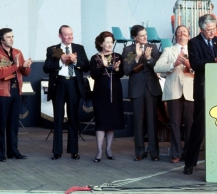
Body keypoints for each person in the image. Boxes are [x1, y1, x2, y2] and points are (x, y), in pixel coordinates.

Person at [183, 14, 217, 175]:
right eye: (209, 30)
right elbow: (195, 64)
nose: (213, 32)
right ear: (202, 29)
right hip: (203, 88)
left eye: (214, 29)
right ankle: (189, 162)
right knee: (199, 126)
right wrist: (214, 61)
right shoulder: (193, 42)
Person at [43, 25, 90, 160]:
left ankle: (74, 150)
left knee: (73, 118)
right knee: (58, 118)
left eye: (71, 34)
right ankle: (57, 151)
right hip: (59, 84)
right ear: (60, 36)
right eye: (67, 34)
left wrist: (76, 62)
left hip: (74, 84)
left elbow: (86, 66)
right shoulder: (54, 50)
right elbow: (46, 68)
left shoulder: (79, 48)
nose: (70, 37)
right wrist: (59, 61)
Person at [0, 28, 32, 162]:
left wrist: (25, 66)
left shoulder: (18, 52)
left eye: (12, 36)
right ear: (1, 40)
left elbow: (25, 73)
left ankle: (13, 151)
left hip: (16, 91)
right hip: (2, 93)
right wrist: (16, 65)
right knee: (1, 123)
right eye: (8, 37)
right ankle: (0, 154)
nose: (12, 39)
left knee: (13, 124)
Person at [154, 25, 194, 163]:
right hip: (173, 92)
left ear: (189, 35)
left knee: (190, 124)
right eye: (179, 32)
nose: (182, 33)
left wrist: (190, 66)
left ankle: (189, 153)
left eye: (184, 31)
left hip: (190, 92)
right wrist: (173, 64)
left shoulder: (194, 49)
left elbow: (200, 68)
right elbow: (157, 67)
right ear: (175, 36)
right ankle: (176, 154)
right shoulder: (168, 50)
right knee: (175, 124)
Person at [122, 25, 162, 161]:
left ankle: (154, 152)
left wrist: (149, 58)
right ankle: (139, 151)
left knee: (152, 121)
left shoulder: (153, 47)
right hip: (137, 89)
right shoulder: (128, 50)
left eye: (146, 35)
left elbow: (157, 66)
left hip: (151, 87)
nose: (145, 37)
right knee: (138, 122)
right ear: (134, 37)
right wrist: (137, 58)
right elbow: (127, 70)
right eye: (141, 35)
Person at [90, 31, 125, 163]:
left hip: (115, 91)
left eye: (111, 42)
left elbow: (121, 74)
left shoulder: (118, 56)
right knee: (101, 122)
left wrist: (116, 70)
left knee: (112, 122)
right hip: (100, 91)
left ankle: (108, 149)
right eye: (107, 42)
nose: (110, 44)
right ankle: (99, 151)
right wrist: (103, 67)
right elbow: (93, 75)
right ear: (101, 44)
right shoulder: (95, 58)